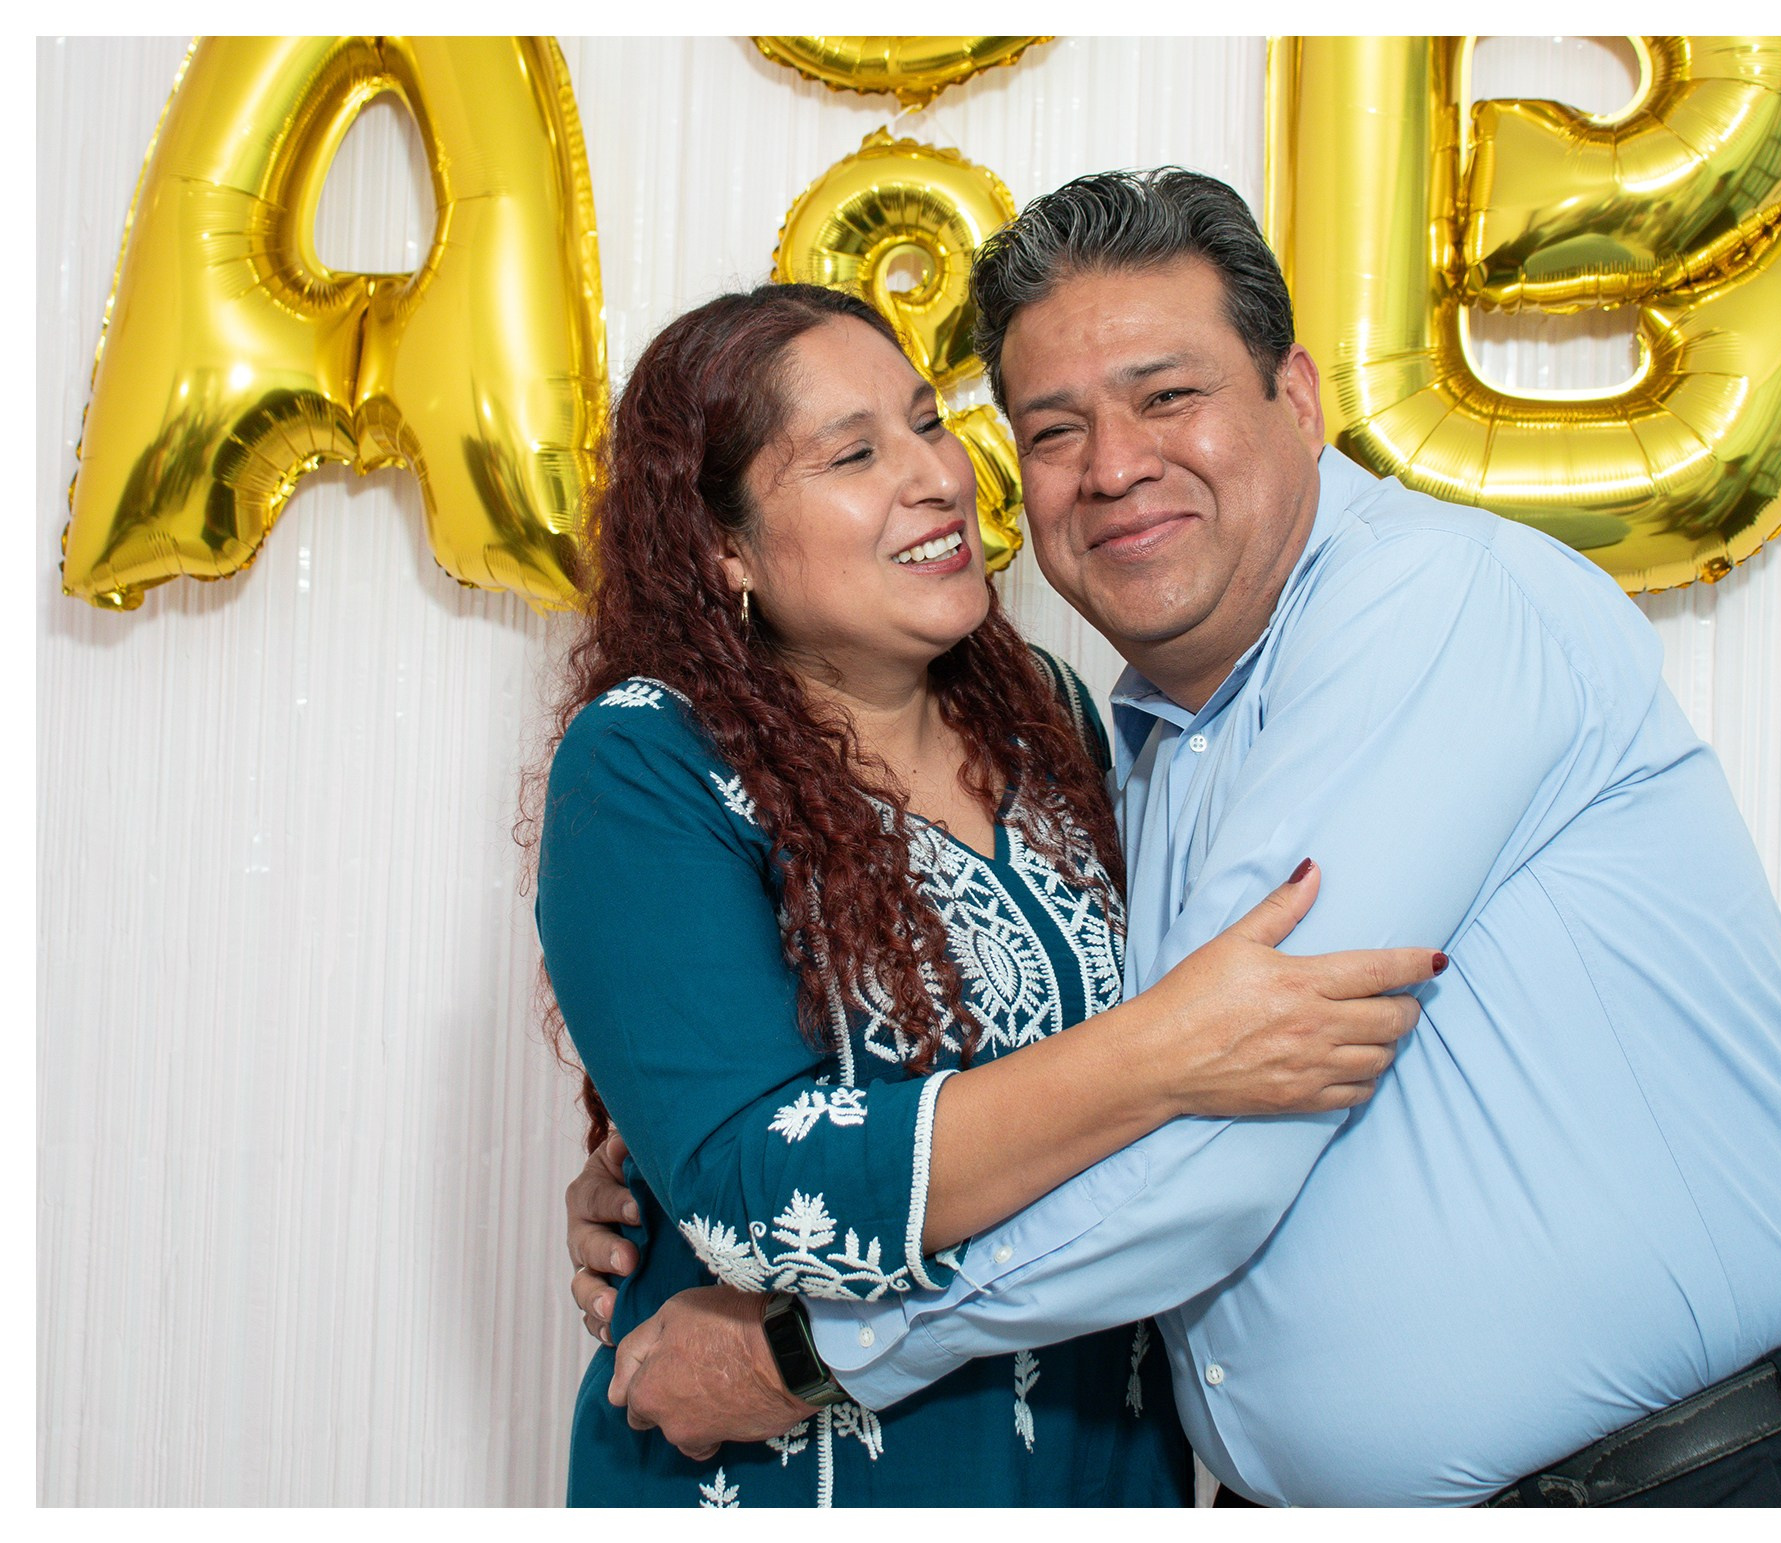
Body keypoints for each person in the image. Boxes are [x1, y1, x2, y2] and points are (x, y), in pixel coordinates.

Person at [565, 172, 1781, 1507]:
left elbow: (1214, 1144)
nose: (1114, 464)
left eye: (1169, 395)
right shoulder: (1135, 739)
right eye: (1050, 426)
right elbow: (966, 1098)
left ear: (1300, 398)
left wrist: (815, 1344)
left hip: (1678, 1483)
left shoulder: (1432, 611)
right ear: (721, 543)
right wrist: (685, 1151)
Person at [530, 281, 1441, 1506]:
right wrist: (1164, 1054)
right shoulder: (652, 760)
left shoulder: (1055, 719)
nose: (935, 478)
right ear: (722, 547)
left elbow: (1234, 1069)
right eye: (854, 454)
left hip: (1098, 1457)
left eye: (928, 423)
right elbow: (759, 1202)